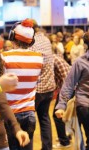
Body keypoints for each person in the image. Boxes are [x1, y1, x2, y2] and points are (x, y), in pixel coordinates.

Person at [1, 18, 43, 150]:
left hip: (11, 115)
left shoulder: (4, 57)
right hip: (30, 113)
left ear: (12, 37)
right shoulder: (39, 58)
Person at [29, 19, 71, 150]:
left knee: (29, 121)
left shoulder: (30, 41)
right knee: (44, 118)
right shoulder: (45, 39)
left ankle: (27, 147)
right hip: (49, 89)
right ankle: (47, 147)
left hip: (37, 89)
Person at [55, 29, 89, 150]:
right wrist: (61, 105)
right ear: (88, 44)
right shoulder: (80, 62)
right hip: (86, 105)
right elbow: (69, 84)